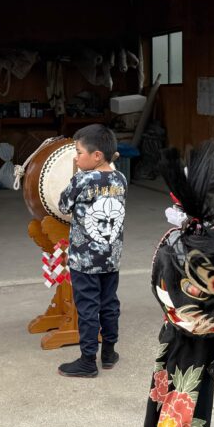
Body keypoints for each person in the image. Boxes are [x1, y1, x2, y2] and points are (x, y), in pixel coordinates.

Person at [57, 123, 127, 378]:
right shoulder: (120, 179)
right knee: (109, 304)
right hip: (111, 257)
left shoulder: (82, 179)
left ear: (97, 155)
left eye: (79, 153)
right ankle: (108, 353)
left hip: (85, 260)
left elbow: (63, 205)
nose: (76, 158)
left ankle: (88, 360)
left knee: (87, 308)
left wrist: (75, 179)